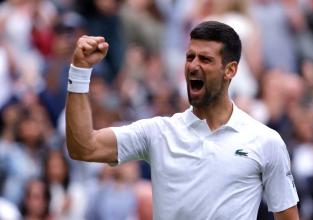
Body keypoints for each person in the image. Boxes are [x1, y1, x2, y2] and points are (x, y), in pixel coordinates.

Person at [65, 21, 299, 220]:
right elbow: (83, 147)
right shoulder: (158, 133)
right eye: (190, 57)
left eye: (205, 59)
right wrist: (79, 71)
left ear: (230, 70)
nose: (193, 66)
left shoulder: (266, 141)